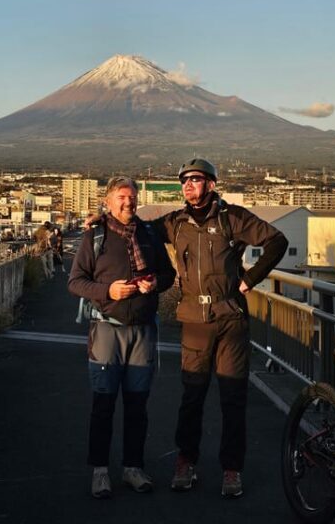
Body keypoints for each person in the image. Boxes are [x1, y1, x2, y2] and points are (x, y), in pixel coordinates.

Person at [98, 159, 286, 498]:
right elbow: (136, 228)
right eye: (184, 180)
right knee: (192, 396)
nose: (188, 185)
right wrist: (101, 220)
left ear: (211, 184)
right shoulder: (176, 222)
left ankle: (231, 469)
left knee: (233, 398)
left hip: (230, 318)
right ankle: (186, 462)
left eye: (195, 179)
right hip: (194, 319)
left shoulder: (232, 217)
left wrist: (250, 279)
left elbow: (277, 241)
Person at [68, 176, 176, 499]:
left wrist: (154, 283)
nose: (129, 202)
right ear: (108, 201)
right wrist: (108, 291)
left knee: (137, 406)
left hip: (142, 330)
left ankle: (133, 467)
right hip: (106, 328)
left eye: (132, 196)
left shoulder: (148, 234)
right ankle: (100, 471)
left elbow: (168, 274)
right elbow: (75, 281)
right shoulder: (96, 235)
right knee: (103, 404)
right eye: (122, 197)